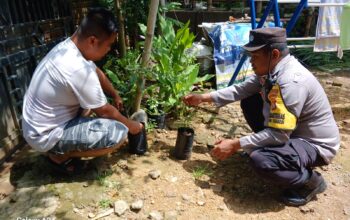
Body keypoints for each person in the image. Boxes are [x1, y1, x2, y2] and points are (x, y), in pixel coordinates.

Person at [183, 27, 340, 206]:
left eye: (255, 56)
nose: (251, 61)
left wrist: (236, 144)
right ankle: (273, 151)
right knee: (249, 100)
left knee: (262, 161)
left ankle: (311, 181)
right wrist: (203, 98)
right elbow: (241, 89)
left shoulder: (291, 82)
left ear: (274, 54)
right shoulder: (272, 70)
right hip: (290, 132)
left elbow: (279, 134)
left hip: (314, 144)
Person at [22, 8, 143, 175]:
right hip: (44, 135)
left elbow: (96, 72)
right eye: (108, 45)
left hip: (39, 124)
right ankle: (58, 156)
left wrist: (114, 93)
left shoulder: (69, 47)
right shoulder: (77, 68)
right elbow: (105, 112)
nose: (108, 50)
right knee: (117, 133)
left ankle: (62, 147)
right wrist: (133, 127)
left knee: (88, 106)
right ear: (92, 41)